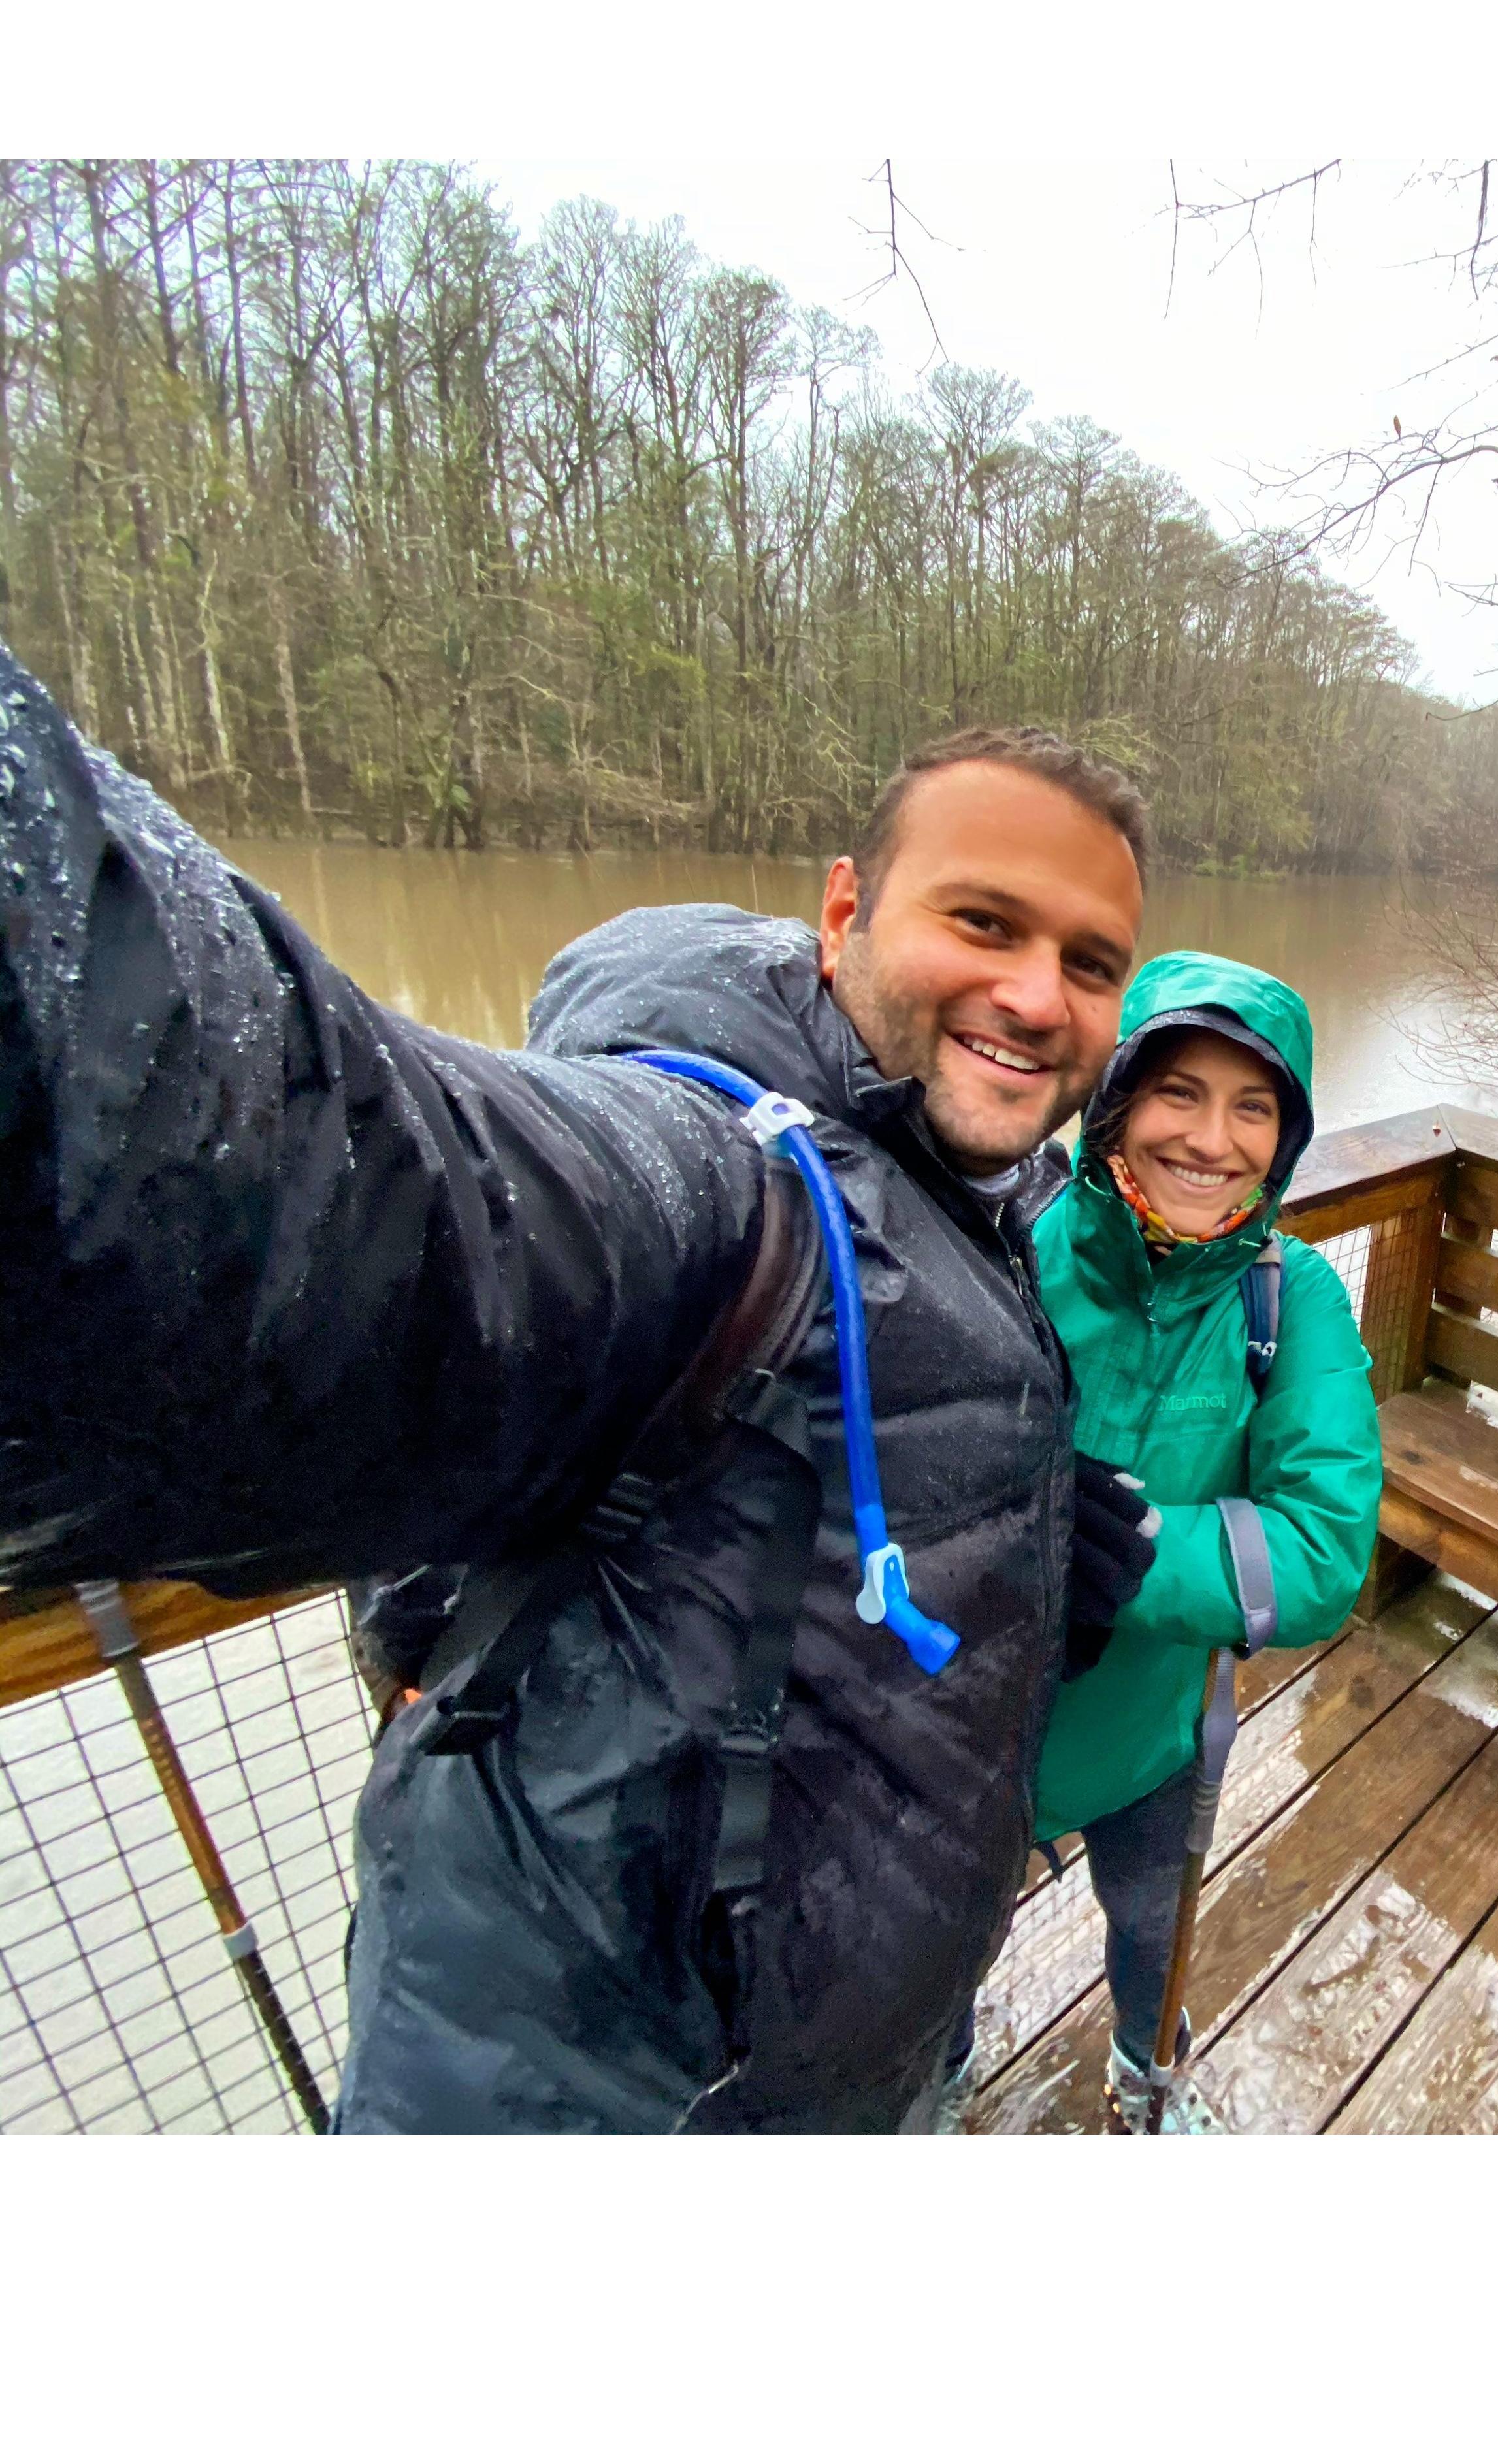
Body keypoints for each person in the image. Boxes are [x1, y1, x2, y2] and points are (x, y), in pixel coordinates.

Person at [0, 635, 1160, 2132]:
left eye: (1090, 963)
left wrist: (1029, 1557)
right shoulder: (718, 1179)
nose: (1037, 995)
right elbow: (340, 1218)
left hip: (860, 2064)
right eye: (984, 921)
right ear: (844, 914)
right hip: (593, 2096)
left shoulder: (989, 1191)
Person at [1001, 952, 1384, 2132]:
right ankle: (937, 2071)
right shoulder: (1010, 1242)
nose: (1212, 1141)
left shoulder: (1291, 1298)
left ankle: (1146, 2078)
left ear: (1286, 1137)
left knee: (1154, 1930)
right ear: (1118, 1097)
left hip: (1157, 1732)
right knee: (943, 1943)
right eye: (1179, 1091)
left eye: (1253, 1107)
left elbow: (1325, 1546)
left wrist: (1122, 1556)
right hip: (973, 1726)